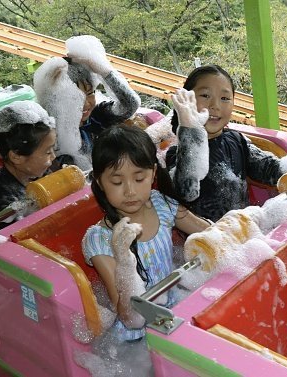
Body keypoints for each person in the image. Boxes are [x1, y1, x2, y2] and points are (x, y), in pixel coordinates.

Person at [82, 124, 209, 342]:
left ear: (152, 174)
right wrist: (123, 259)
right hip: (135, 339)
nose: (130, 190)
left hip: (175, 309)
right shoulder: (100, 239)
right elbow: (130, 317)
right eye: (117, 181)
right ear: (100, 182)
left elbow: (210, 233)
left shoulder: (162, 205)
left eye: (139, 178)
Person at [165, 64, 283, 222]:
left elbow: (270, 169)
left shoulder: (237, 140)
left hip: (244, 231)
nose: (215, 105)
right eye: (205, 95)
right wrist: (190, 130)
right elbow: (187, 192)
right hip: (205, 239)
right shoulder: (178, 154)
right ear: (187, 100)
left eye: (225, 98)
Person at [33, 35, 140, 171]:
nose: (85, 104)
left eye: (90, 93)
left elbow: (129, 105)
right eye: (74, 98)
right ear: (55, 101)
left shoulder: (96, 119)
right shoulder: (50, 136)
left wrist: (103, 70)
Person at [0, 101, 56, 236]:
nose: (54, 156)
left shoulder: (40, 173)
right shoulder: (1, 203)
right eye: (48, 152)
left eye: (53, 149)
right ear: (16, 156)